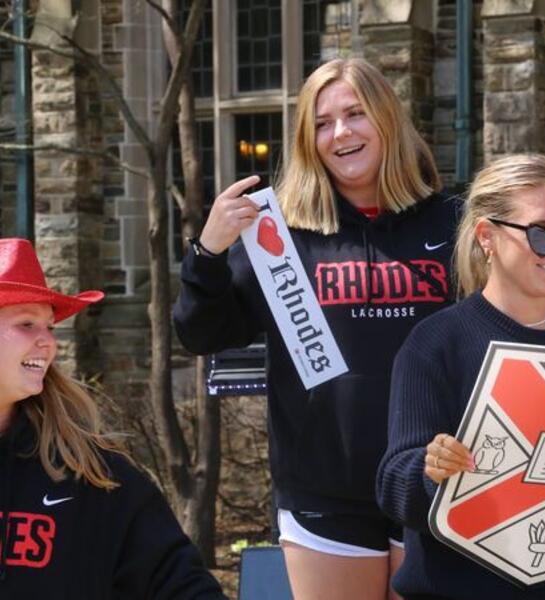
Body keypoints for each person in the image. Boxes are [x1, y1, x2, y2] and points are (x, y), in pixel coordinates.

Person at [174, 57, 460, 600]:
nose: (341, 133)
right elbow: (201, 334)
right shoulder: (279, 233)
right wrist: (207, 251)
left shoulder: (451, 220)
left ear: (387, 119)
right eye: (322, 123)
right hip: (323, 494)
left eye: (355, 113)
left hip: (433, 480)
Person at [376, 153, 545, 600]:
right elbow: (393, 484)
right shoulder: (436, 343)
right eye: (541, 233)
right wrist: (431, 467)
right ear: (488, 237)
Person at [0, 238, 227, 599]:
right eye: (28, 324)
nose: (48, 342)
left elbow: (177, 581)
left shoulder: (89, 469)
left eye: (50, 327)